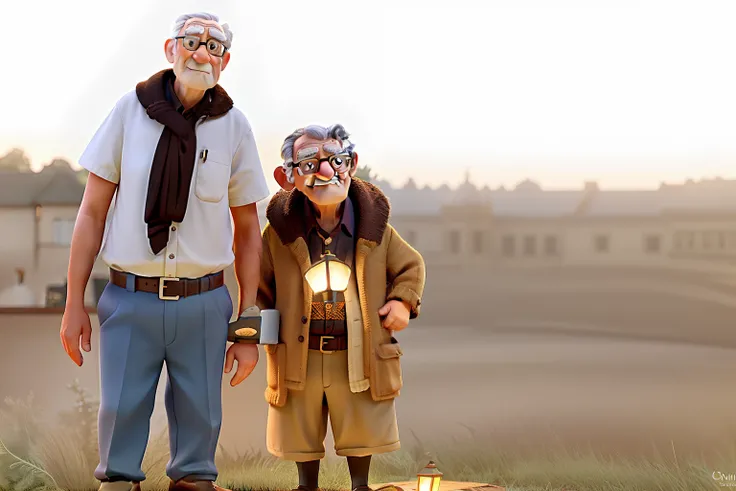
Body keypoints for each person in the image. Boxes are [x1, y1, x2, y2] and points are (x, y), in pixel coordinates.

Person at [59, 11, 269, 491]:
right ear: (170, 50)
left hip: (204, 303)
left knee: (201, 422)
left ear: (226, 60)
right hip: (130, 299)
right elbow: (91, 212)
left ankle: (194, 483)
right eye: (191, 42)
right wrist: (74, 303)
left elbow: (248, 230)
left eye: (214, 46)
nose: (202, 53)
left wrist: (247, 324)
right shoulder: (128, 112)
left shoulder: (234, 126)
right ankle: (118, 483)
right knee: (120, 411)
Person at [257, 124, 426, 491]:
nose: (327, 172)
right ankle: (306, 484)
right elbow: (257, 284)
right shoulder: (278, 236)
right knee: (299, 422)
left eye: (337, 160)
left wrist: (401, 301)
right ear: (287, 177)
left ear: (353, 164)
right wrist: (253, 329)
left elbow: (410, 267)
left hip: (356, 349)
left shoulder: (375, 231)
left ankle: (360, 484)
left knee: (360, 418)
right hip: (300, 349)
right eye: (309, 163)